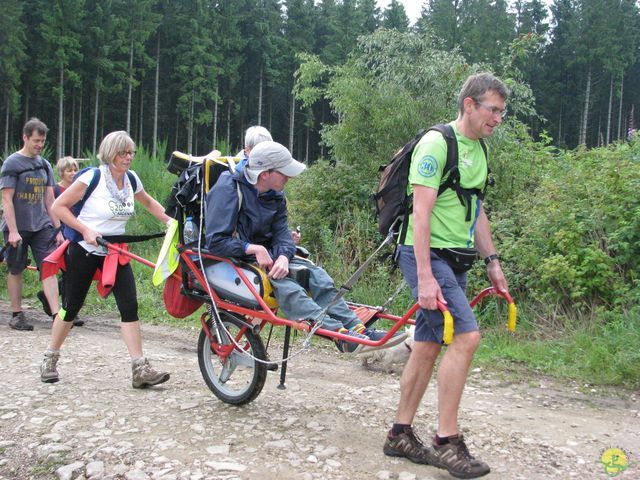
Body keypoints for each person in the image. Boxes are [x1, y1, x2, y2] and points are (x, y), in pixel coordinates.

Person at [383, 73, 510, 479]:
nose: (498, 119)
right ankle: (447, 441)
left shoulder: (480, 149)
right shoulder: (438, 144)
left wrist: (492, 261)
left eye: (502, 113)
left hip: (457, 258)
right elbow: (421, 213)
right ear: (469, 105)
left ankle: (400, 434)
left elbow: (474, 210)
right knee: (466, 336)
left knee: (427, 343)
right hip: (425, 254)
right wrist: (424, 277)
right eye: (493, 110)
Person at [205, 141, 406, 354]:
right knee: (289, 288)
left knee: (319, 277)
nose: (289, 177)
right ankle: (338, 333)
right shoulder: (228, 189)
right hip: (238, 258)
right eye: (284, 173)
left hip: (271, 256)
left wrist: (283, 255)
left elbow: (282, 234)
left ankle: (357, 328)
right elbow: (216, 241)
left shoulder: (276, 194)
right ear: (264, 174)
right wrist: (252, 248)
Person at [39, 131, 172, 388]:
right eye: (123, 153)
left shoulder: (131, 179)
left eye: (131, 152)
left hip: (115, 251)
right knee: (71, 306)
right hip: (83, 250)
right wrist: (85, 230)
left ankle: (139, 368)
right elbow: (58, 207)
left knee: (129, 306)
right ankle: (50, 358)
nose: (128, 157)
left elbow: (149, 202)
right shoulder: (92, 177)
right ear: (110, 154)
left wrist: (171, 222)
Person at [1, 118, 63, 331]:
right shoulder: (12, 164)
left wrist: (58, 228)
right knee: (16, 268)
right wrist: (13, 231)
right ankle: (17, 314)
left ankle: (57, 315)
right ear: (25, 137)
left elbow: (49, 199)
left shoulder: (44, 164)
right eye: (36, 141)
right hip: (17, 227)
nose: (39, 145)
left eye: (42, 141)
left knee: (49, 267)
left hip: (42, 226)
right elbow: (7, 199)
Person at [36, 156, 85, 326]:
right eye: (69, 170)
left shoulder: (80, 189)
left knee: (73, 273)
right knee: (64, 270)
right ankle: (65, 309)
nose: (73, 173)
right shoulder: (56, 190)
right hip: (60, 234)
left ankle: (67, 307)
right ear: (61, 172)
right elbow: (52, 209)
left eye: (74, 169)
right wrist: (57, 232)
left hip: (77, 233)